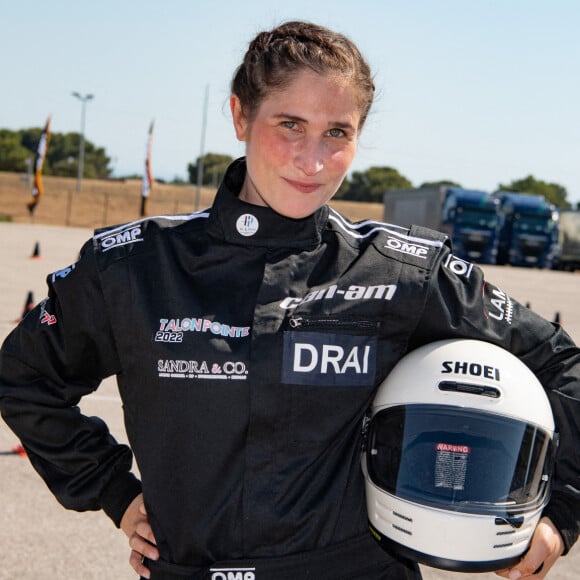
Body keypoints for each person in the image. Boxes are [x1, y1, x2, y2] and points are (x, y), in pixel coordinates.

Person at [0, 20, 578, 580]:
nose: (313, 159)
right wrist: (115, 492)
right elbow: (23, 377)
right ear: (239, 115)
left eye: (337, 132)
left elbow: (564, 368)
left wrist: (560, 517)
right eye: (291, 124)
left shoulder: (404, 273)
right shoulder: (133, 267)